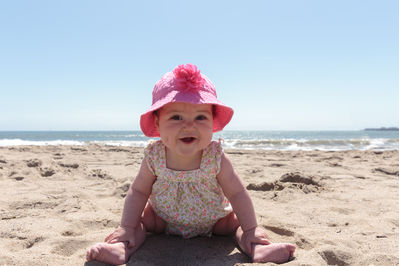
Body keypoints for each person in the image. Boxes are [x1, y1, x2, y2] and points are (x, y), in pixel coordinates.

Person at [86, 64, 295, 264]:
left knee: (237, 226)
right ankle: (122, 247)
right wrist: (127, 226)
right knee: (138, 224)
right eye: (176, 117)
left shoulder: (214, 155)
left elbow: (237, 193)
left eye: (200, 117)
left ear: (212, 122)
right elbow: (139, 191)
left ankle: (255, 246)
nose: (189, 125)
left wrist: (251, 228)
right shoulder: (154, 155)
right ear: (158, 123)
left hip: (214, 220)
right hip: (162, 218)